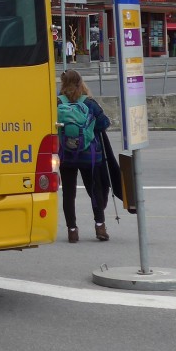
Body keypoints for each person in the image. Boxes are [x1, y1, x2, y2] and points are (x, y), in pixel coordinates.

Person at [56, 69, 112, 242]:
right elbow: (104, 123)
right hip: (89, 156)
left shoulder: (57, 102)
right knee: (94, 190)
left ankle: (72, 231)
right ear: (81, 82)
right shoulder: (88, 102)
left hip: (66, 155)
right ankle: (100, 227)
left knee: (69, 193)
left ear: (63, 83)